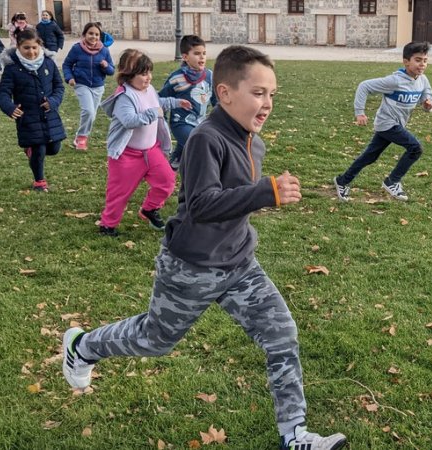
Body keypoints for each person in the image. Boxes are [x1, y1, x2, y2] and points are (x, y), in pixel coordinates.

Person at [62, 45, 348, 450]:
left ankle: (295, 434)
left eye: (272, 95)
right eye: (258, 93)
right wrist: (264, 192)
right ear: (226, 93)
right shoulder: (205, 139)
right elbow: (200, 204)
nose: (267, 104)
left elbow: (235, 203)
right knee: (155, 339)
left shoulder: (253, 141)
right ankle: (82, 346)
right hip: (190, 267)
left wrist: (257, 197)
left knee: (281, 334)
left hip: (239, 264)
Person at [95, 49, 186, 237]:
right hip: (127, 155)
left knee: (167, 181)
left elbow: (157, 102)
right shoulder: (124, 97)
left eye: (149, 72)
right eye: (143, 74)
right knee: (119, 192)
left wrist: (175, 103)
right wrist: (154, 112)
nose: (148, 77)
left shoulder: (148, 90)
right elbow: (130, 120)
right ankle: (107, 225)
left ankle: (149, 208)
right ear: (128, 75)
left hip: (151, 151)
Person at [332, 41, 432, 202]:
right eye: (417, 60)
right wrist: (360, 112)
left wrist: (428, 105)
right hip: (387, 124)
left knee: (369, 157)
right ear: (406, 61)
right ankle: (392, 181)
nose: (422, 64)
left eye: (425, 60)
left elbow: (427, 100)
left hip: (397, 124)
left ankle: (342, 181)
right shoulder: (394, 81)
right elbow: (364, 86)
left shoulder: (423, 80)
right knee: (415, 147)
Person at [0, 29, 66, 192]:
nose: (31, 51)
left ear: (39, 45)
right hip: (28, 116)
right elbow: (3, 92)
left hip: (49, 115)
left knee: (54, 148)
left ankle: (33, 153)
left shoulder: (48, 63)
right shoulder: (12, 69)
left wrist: (53, 102)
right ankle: (39, 181)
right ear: (19, 47)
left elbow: (59, 87)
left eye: (34, 47)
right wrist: (9, 107)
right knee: (39, 148)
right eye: (26, 48)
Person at [158, 34, 216, 170]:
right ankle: (196, 178)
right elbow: (161, 100)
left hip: (200, 123)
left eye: (204, 53)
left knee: (183, 150)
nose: (202, 57)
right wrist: (162, 124)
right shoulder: (176, 78)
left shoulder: (209, 75)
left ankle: (172, 166)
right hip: (181, 123)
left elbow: (215, 99)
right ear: (185, 57)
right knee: (197, 146)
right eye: (196, 54)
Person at [62, 22, 114, 151]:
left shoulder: (104, 50)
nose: (93, 37)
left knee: (92, 114)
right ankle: (82, 138)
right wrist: (70, 78)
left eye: (97, 34)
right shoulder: (77, 49)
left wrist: (106, 66)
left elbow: (112, 71)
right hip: (81, 84)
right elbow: (66, 65)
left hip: (98, 86)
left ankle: (79, 137)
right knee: (89, 111)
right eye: (91, 33)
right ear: (84, 34)